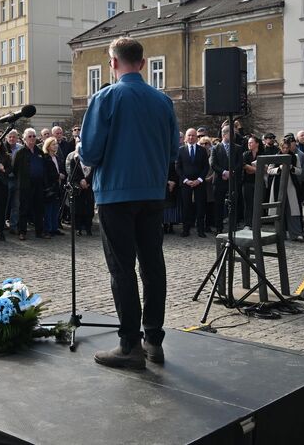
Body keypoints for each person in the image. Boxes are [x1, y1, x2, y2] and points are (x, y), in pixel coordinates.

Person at [80, 36, 178, 370]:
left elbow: (91, 151)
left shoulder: (105, 97)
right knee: (153, 265)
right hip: (152, 194)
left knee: (121, 269)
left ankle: (129, 345)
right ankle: (153, 340)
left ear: (113, 62)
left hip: (115, 195)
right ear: (142, 61)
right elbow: (172, 152)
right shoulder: (163, 101)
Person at [13, 128, 48, 240]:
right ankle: (22, 232)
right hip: (25, 185)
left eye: (34, 136)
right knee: (24, 209)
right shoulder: (20, 153)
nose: (32, 138)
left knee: (39, 209)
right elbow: (15, 169)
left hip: (38, 185)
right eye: (30, 136)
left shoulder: (40, 151)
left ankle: (40, 231)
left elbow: (44, 167)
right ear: (24, 139)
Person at [209, 126, 243, 233]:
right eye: (231, 133)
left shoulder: (237, 148)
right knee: (218, 205)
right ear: (224, 134)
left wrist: (232, 172)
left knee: (233, 203)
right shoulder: (215, 148)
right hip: (219, 180)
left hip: (233, 180)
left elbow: (240, 163)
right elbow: (213, 164)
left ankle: (233, 227)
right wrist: (223, 172)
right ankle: (219, 228)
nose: (233, 136)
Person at [177, 128, 209, 237]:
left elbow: (206, 167)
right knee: (186, 206)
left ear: (196, 137)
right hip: (185, 183)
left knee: (200, 206)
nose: (191, 137)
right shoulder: (181, 150)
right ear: (186, 137)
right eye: (189, 135)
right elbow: (178, 167)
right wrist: (186, 180)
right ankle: (186, 230)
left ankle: (201, 230)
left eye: (193, 135)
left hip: (199, 183)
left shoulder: (202, 150)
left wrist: (199, 180)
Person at [66, 142, 96, 236]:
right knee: (78, 209)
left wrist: (87, 181)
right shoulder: (74, 160)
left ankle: (88, 228)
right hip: (78, 189)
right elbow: (72, 174)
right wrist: (81, 181)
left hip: (89, 187)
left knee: (89, 209)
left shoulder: (92, 160)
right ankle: (78, 228)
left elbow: (94, 172)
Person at [41, 136, 64, 237]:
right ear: (48, 146)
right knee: (48, 209)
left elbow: (61, 168)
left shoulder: (57, 157)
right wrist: (57, 176)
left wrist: (61, 175)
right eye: (53, 144)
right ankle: (48, 229)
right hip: (49, 186)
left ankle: (55, 228)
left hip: (57, 186)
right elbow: (46, 173)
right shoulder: (45, 158)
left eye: (56, 144)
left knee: (55, 208)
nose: (56, 146)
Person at [241, 135, 261, 227]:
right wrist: (257, 169)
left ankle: (256, 223)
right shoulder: (245, 154)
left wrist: (251, 169)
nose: (249, 144)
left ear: (257, 144)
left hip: (259, 182)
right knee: (248, 203)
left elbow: (265, 168)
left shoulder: (262, 154)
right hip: (247, 182)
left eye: (251, 142)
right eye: (248, 142)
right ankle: (248, 224)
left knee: (257, 203)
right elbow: (245, 168)